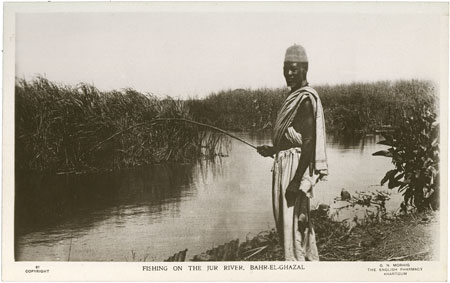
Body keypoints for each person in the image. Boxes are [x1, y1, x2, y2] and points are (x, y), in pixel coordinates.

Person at [257, 44, 328, 261]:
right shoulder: (294, 97)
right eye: (286, 67)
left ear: (305, 69)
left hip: (294, 170)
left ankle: (298, 266)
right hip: (286, 165)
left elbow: (307, 145)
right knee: (289, 224)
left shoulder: (304, 100)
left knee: (295, 226)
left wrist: (296, 182)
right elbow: (293, 139)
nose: (289, 73)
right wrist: (274, 150)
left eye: (294, 68)